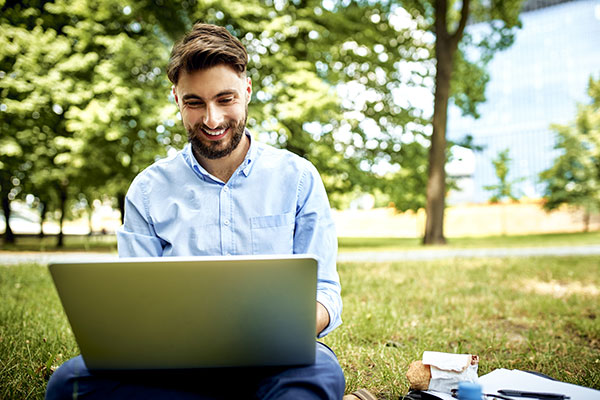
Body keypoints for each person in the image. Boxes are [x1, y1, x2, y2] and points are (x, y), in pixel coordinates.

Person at [46, 22, 346, 399]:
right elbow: (133, 305)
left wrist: (279, 332)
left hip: (277, 361)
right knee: (69, 386)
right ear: (176, 97)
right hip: (172, 363)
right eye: (194, 102)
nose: (212, 120)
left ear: (247, 91)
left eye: (225, 99)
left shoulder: (298, 178)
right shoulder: (148, 190)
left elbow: (325, 294)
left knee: (316, 376)